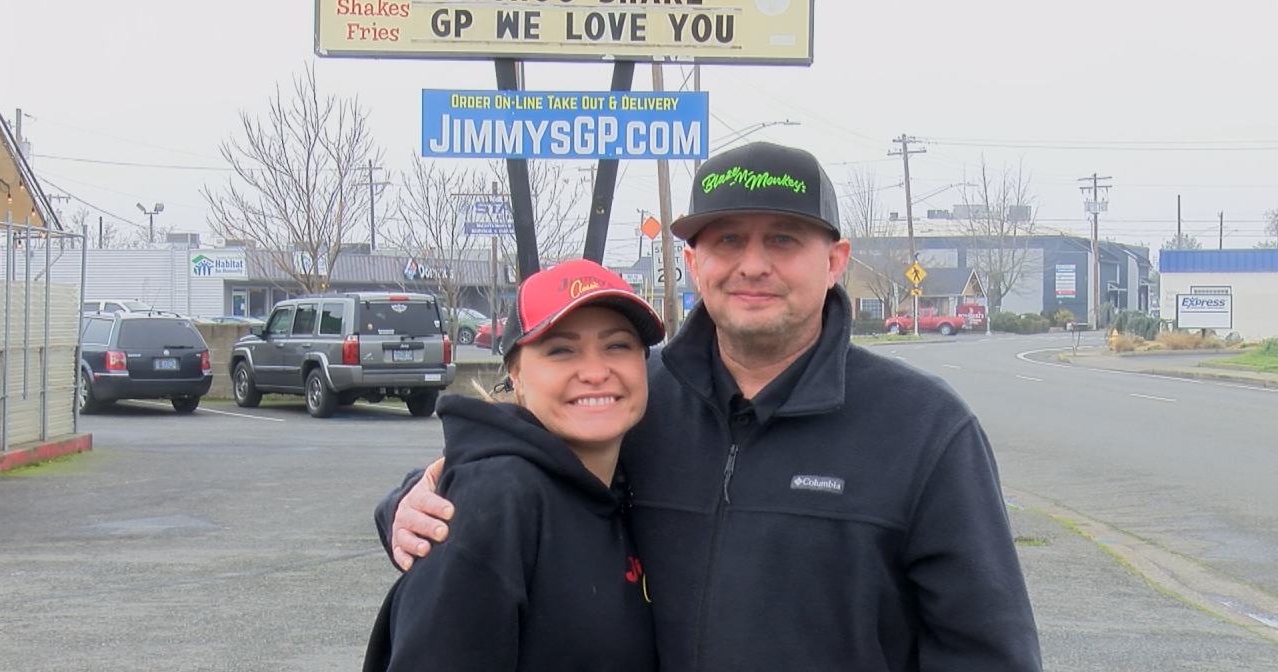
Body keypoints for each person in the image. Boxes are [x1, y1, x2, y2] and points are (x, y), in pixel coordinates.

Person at [376, 142, 1042, 672]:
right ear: (694, 263)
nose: (751, 265)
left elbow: (986, 651)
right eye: (727, 241)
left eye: (783, 239)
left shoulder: (923, 429)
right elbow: (514, 464)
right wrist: (411, 503)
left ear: (835, 260)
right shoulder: (632, 401)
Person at [363, 258, 664, 672]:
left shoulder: (637, 484)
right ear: (516, 374)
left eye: (618, 345)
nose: (595, 372)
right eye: (561, 350)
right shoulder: (495, 500)